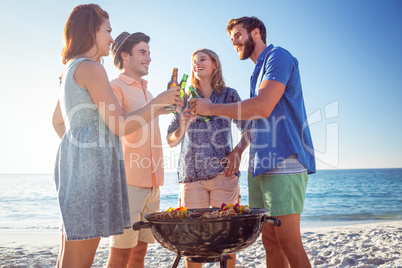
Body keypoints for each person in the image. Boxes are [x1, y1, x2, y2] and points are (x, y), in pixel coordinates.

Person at [52, 5, 182, 267]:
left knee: (68, 255)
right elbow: (120, 126)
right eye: (107, 30)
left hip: (72, 169)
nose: (111, 38)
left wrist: (79, 149)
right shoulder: (92, 68)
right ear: (91, 30)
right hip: (92, 172)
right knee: (80, 261)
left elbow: (58, 123)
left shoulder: (68, 69)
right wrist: (158, 104)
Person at [190, 17, 316, 268]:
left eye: (238, 34)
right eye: (231, 38)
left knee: (290, 243)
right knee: (270, 242)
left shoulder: (278, 56)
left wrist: (211, 108)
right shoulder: (256, 72)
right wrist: (239, 149)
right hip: (259, 166)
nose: (234, 42)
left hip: (284, 161)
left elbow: (263, 106)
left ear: (256, 33)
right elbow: (255, 119)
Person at [105, 32, 183, 268]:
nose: (149, 58)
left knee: (139, 255)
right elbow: (120, 126)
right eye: (142, 52)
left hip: (153, 183)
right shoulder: (113, 88)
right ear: (125, 56)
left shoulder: (148, 94)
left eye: (149, 53)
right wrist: (157, 103)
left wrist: (177, 112)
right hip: (127, 184)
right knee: (120, 255)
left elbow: (154, 122)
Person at [167, 48, 251, 268]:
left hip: (224, 175)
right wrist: (182, 126)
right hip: (192, 176)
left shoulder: (229, 95)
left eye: (202, 59)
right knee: (193, 242)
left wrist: (238, 151)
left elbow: (248, 128)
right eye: (193, 61)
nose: (196, 63)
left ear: (215, 63)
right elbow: (171, 139)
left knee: (228, 239)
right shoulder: (184, 98)